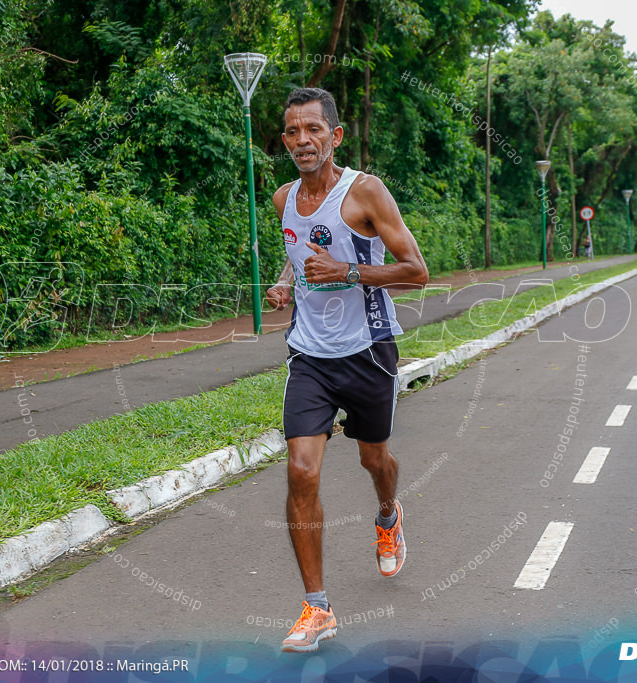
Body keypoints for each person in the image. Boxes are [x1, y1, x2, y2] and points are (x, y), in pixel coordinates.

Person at [265, 87, 429, 653]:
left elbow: (417, 271)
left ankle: (388, 513)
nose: (302, 140)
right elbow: (296, 258)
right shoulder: (285, 197)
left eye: (313, 130)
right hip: (310, 355)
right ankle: (317, 609)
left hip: (369, 350)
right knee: (301, 471)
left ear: (335, 136)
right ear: (284, 140)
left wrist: (349, 271)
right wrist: (287, 284)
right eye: (292, 131)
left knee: (372, 458)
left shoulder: (365, 192)